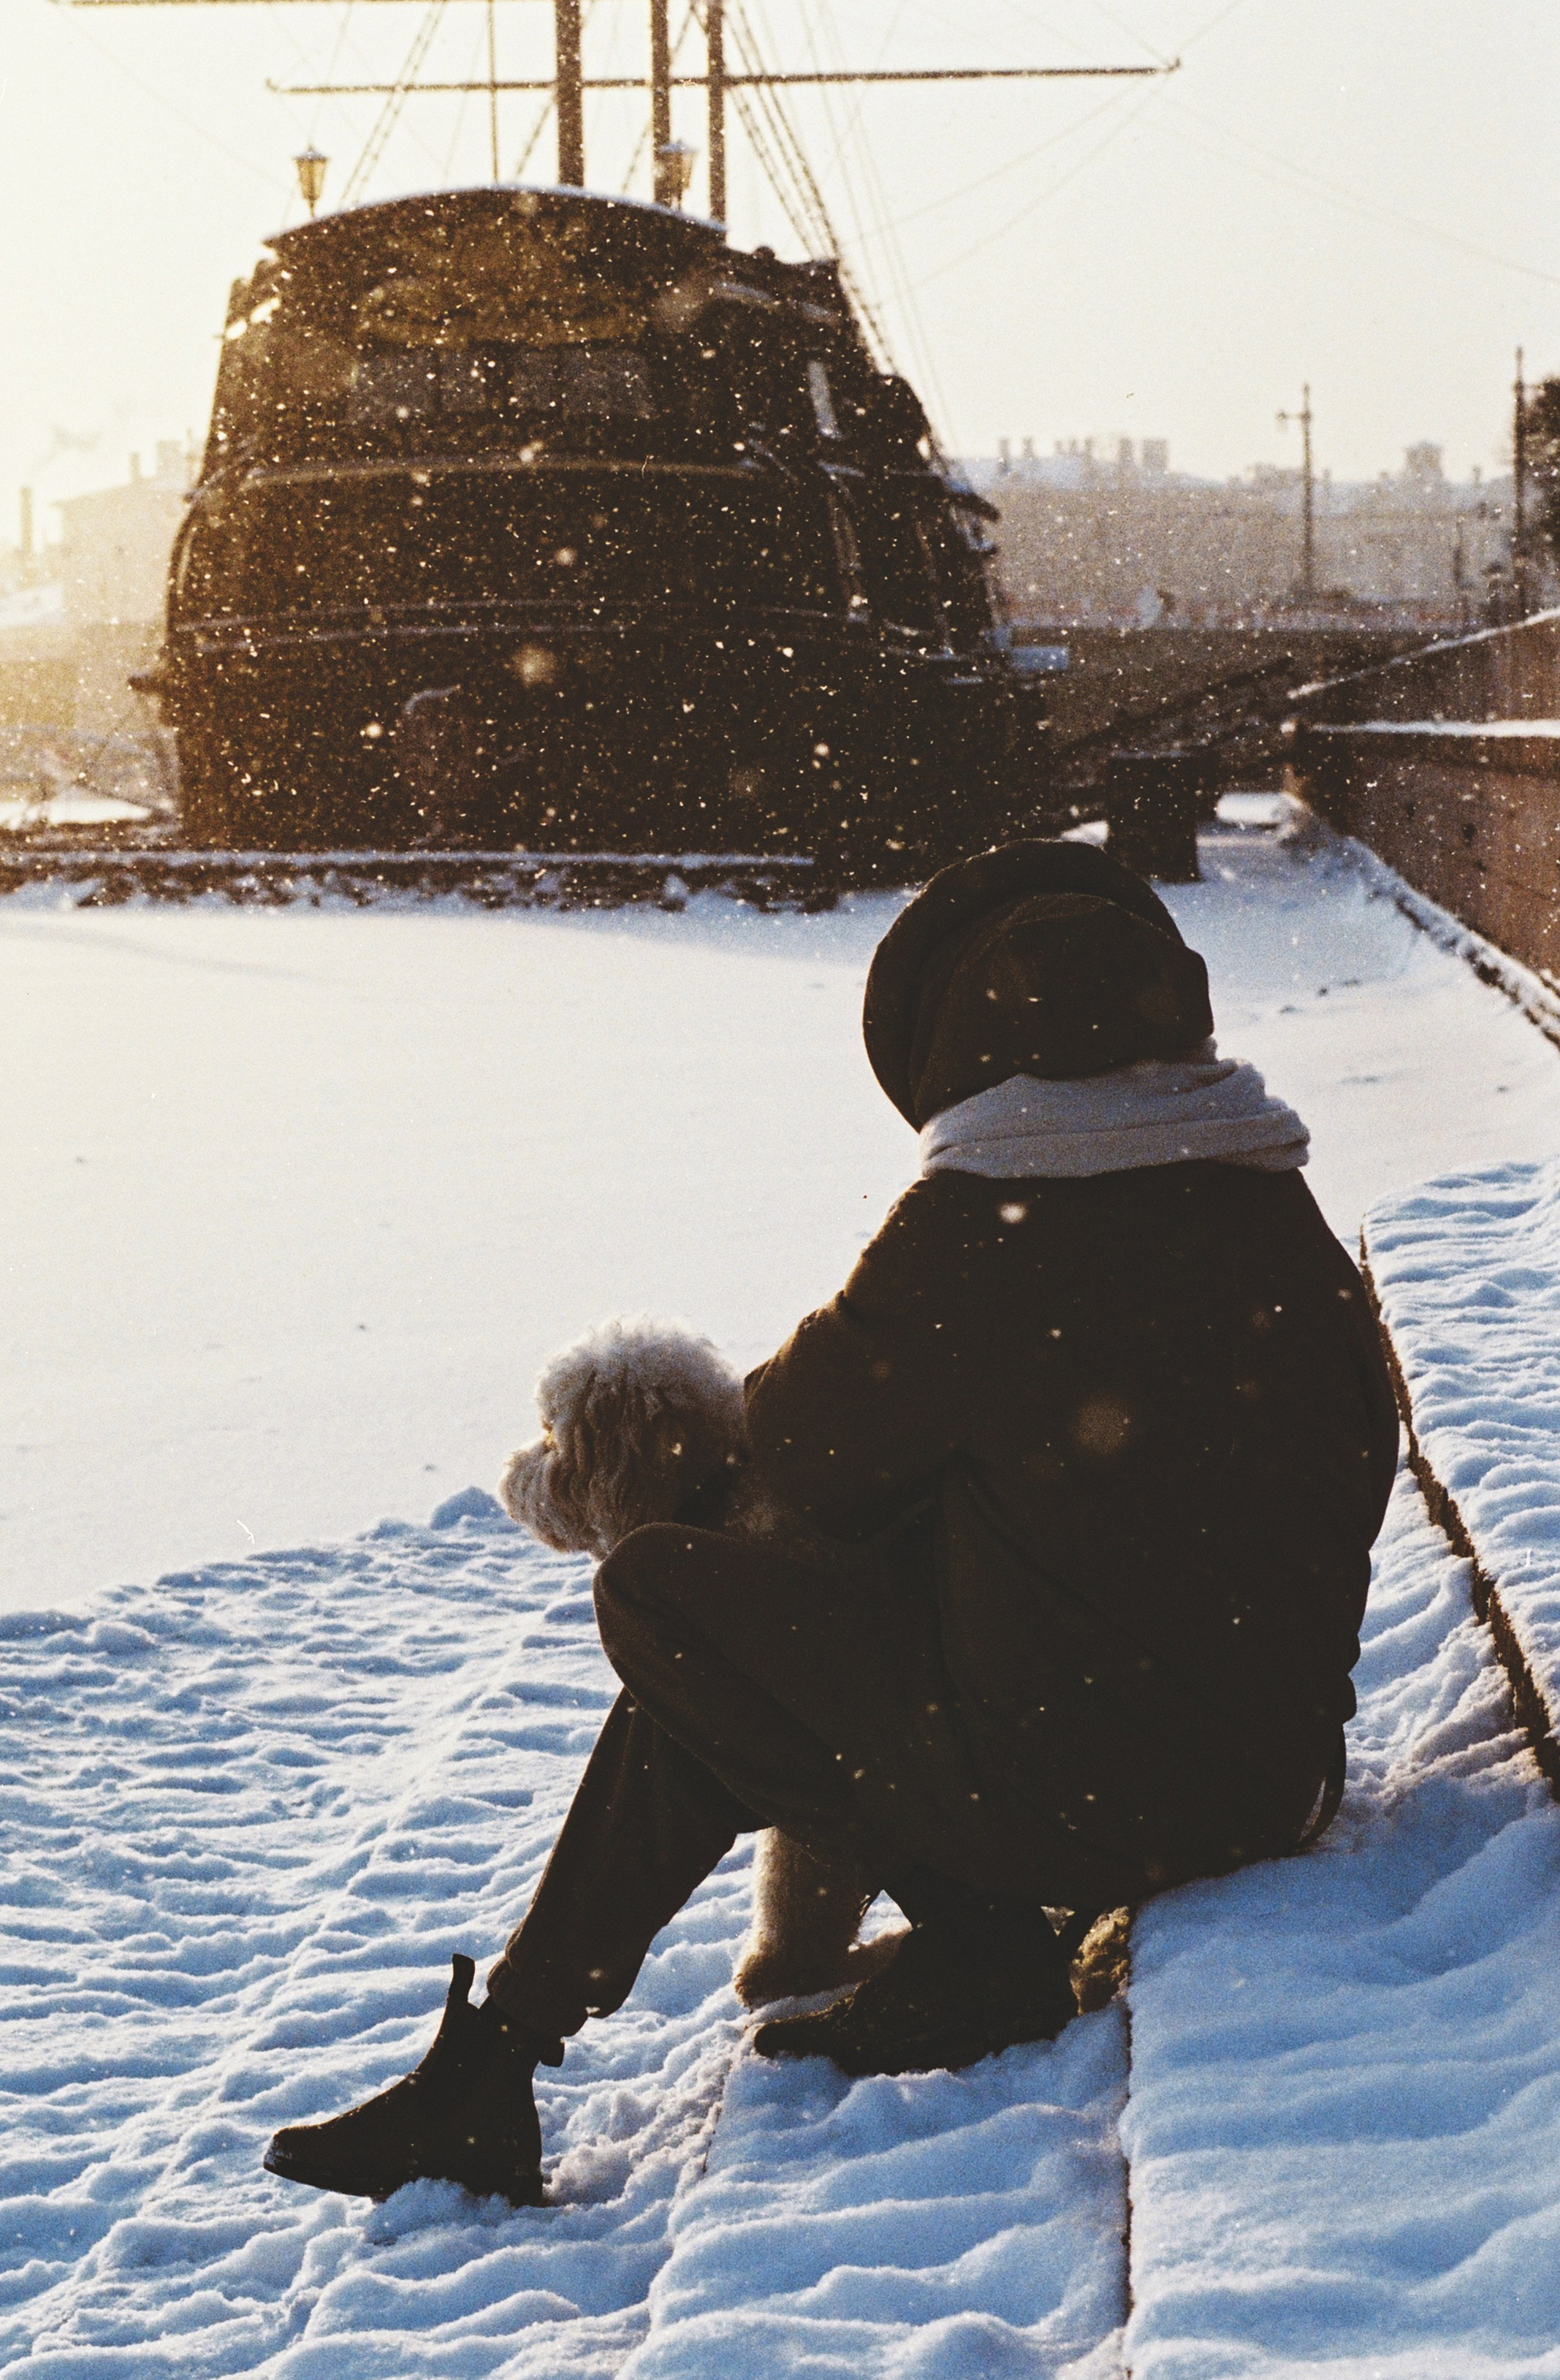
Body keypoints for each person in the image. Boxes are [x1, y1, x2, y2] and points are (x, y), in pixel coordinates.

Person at [265, 838, 1400, 2205]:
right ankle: (500, 2051)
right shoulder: (1281, 1210)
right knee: (726, 1656)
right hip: (1263, 1771)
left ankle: (972, 1942)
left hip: (1110, 1795)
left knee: (663, 1590)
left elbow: (797, 1451)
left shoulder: (990, 1220)